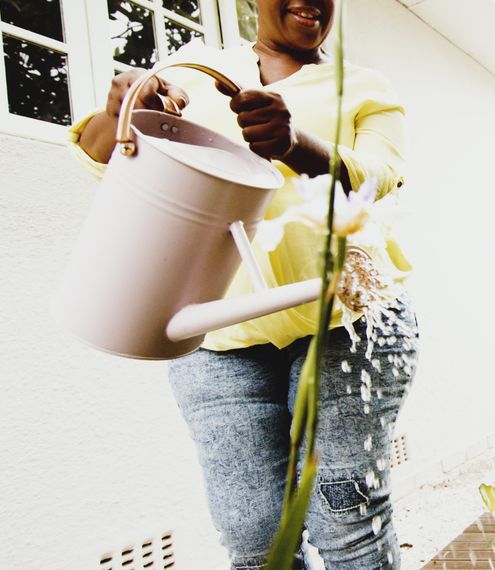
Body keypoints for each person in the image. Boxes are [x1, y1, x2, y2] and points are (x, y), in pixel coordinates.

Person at [69, 1, 417, 568]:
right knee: (255, 538)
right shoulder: (193, 69)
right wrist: (122, 112)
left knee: (347, 519)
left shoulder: (365, 86)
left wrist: (294, 145)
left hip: (347, 324)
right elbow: (104, 158)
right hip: (217, 339)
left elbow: (381, 177)